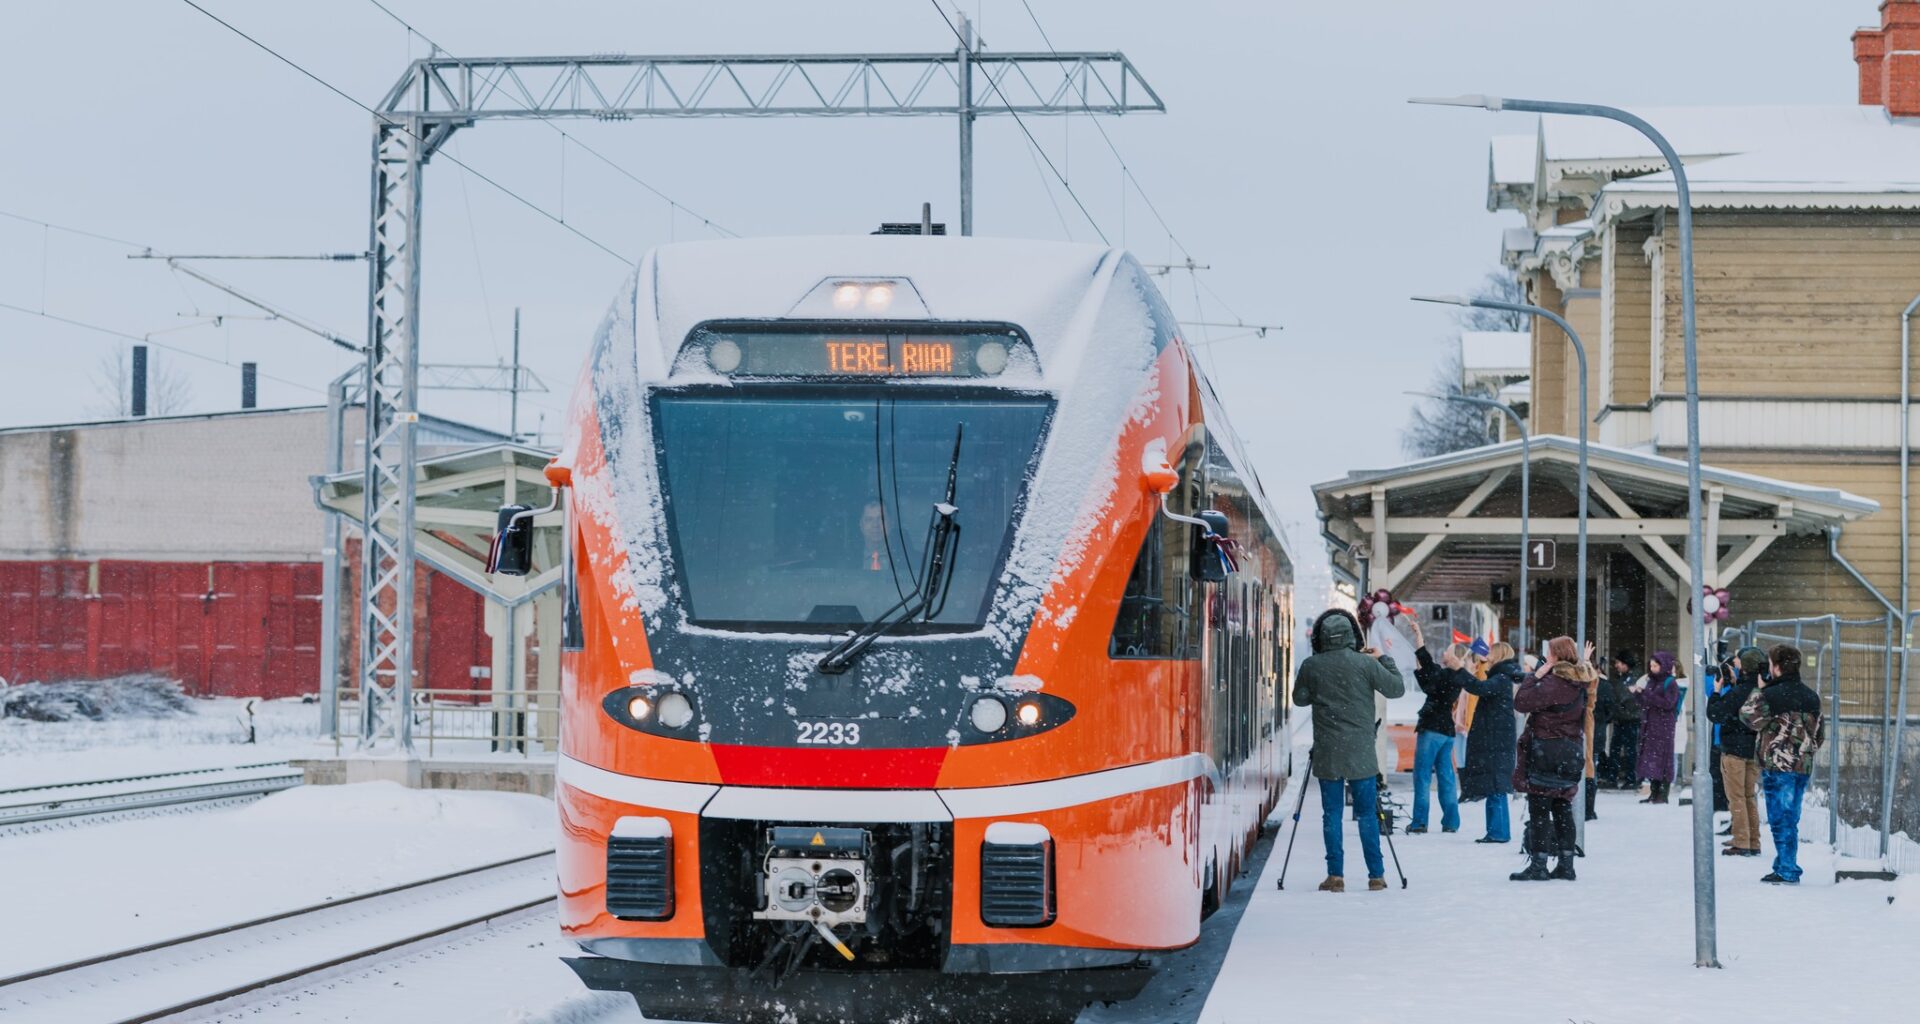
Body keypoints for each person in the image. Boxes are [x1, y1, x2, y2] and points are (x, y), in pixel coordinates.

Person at [1293, 608, 1407, 893]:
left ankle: (1335, 876)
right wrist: (1383, 658)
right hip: (1361, 754)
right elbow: (1396, 689)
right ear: (1351, 635)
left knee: (1331, 814)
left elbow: (1300, 699)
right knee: (1368, 814)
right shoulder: (1365, 664)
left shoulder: (1312, 665)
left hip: (1329, 753)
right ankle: (1376, 876)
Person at [1740, 643, 1826, 884]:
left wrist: (1759, 690)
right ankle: (1783, 863)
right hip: (1802, 766)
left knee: (1780, 818)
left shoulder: (1770, 695)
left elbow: (1748, 717)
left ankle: (1787, 869)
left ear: (1776, 667)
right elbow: (1820, 734)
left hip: (1778, 765)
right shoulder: (1811, 696)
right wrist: (1805, 752)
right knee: (1791, 817)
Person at [1510, 636, 1594, 881]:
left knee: (1539, 809)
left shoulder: (1554, 683)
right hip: (1570, 752)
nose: (1546, 656)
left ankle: (1539, 865)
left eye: (1549, 653)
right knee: (1562, 807)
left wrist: (1535, 676)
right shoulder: (1580, 681)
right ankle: (1566, 865)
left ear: (1556, 656)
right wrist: (1584, 662)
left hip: (1547, 751)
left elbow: (1521, 702)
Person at [1406, 622, 1468, 835]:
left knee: (1422, 777)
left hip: (1431, 729)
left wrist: (1419, 634)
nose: (1445, 652)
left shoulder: (1442, 676)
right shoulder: (1458, 678)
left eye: (1448, 651)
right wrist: (1419, 635)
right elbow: (1424, 662)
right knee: (1447, 778)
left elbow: (1424, 660)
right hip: (1447, 733)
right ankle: (1451, 822)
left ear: (1455, 657)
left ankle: (1419, 822)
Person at [1459, 640, 1520, 844]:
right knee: (1495, 787)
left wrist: (1459, 670)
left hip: (1496, 742)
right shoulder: (1502, 676)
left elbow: (1478, 687)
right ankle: (1496, 831)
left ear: (1499, 654)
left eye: (1491, 651)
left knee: (1496, 787)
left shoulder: (1501, 678)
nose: (1487, 653)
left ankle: (1498, 832)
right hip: (1497, 740)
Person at [1708, 646, 1765, 858]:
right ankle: (1752, 839)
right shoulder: (1759, 689)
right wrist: (1734, 683)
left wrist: (1716, 691)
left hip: (1734, 750)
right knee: (1749, 796)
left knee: (1736, 796)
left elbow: (1715, 713)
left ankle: (1741, 841)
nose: (1734, 663)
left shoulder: (1739, 693)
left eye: (1737, 660)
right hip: (1754, 749)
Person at [1631, 651, 1683, 803]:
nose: (1652, 668)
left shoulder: (1670, 682)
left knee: (1663, 759)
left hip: (1664, 727)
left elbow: (1668, 704)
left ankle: (1662, 795)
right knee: (1652, 759)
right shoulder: (1651, 681)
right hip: (1650, 726)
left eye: (1655, 666)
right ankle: (1654, 794)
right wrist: (1638, 694)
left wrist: (1648, 694)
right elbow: (1645, 702)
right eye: (1651, 665)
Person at [1605, 652, 1643, 789]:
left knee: (1629, 751)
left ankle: (1630, 778)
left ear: (1625, 664)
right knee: (1618, 750)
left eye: (1618, 663)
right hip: (1622, 719)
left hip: (1630, 720)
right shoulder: (1622, 679)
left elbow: (1627, 698)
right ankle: (1617, 777)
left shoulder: (1633, 679)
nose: (1616, 666)